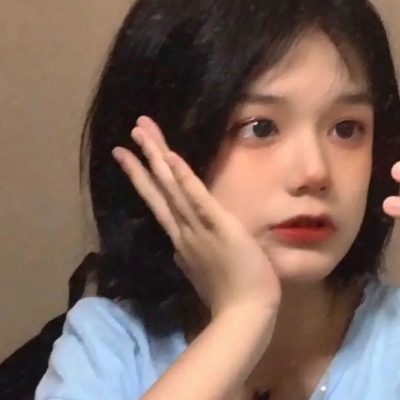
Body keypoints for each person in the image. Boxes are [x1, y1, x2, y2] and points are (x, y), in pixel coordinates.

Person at [35, 0, 400, 399]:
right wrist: (243, 316)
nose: (315, 172)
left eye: (347, 129)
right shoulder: (109, 345)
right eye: (260, 128)